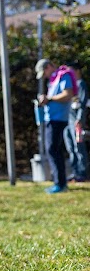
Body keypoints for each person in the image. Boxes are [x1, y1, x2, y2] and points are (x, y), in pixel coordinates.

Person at [36, 58, 75, 193]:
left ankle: (60, 184)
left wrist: (49, 99)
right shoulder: (55, 78)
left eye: (44, 72)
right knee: (54, 150)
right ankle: (59, 183)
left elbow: (67, 94)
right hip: (52, 118)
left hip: (57, 119)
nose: (45, 76)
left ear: (48, 66)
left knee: (53, 150)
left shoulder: (63, 76)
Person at [63, 64, 88, 182]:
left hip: (76, 122)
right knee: (71, 148)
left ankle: (82, 173)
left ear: (77, 71)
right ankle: (75, 172)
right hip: (68, 120)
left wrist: (79, 119)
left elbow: (82, 104)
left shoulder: (81, 84)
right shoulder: (71, 86)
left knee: (79, 147)